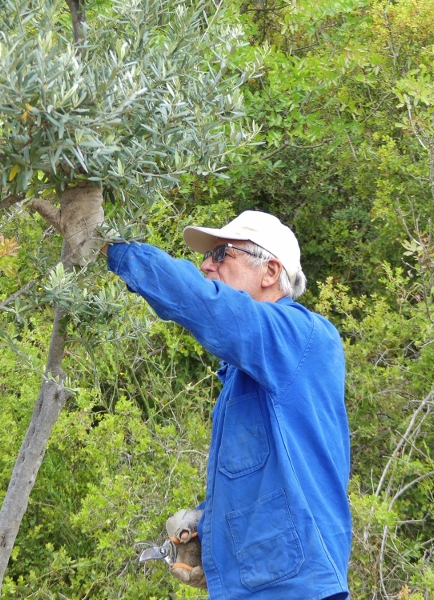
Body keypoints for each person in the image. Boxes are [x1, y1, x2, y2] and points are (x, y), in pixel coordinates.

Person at [104, 210, 351, 599]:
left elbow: (211, 308)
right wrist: (208, 527)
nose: (206, 265)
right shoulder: (248, 373)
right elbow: (264, 482)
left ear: (270, 271)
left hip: (296, 587)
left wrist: (115, 251)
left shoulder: (301, 335)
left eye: (221, 254)